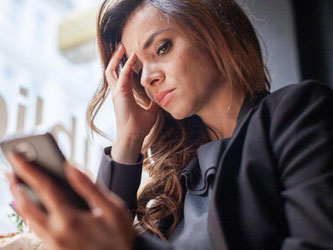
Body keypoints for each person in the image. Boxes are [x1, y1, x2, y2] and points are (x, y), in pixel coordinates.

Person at [7, 0, 333, 249]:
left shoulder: (297, 111)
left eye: (162, 48)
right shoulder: (176, 182)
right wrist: (130, 135)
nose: (148, 77)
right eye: (137, 72)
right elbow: (102, 231)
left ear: (214, 30)